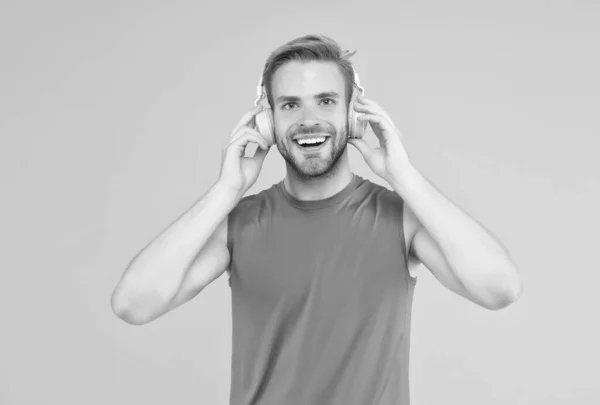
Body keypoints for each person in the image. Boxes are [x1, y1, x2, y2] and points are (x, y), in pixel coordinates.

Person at [111, 34, 522, 405]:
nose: (309, 118)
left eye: (326, 101)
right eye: (290, 105)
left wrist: (403, 176)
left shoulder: (401, 219)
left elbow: (498, 289)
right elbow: (133, 304)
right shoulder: (238, 225)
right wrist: (226, 191)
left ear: (353, 114)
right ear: (268, 122)